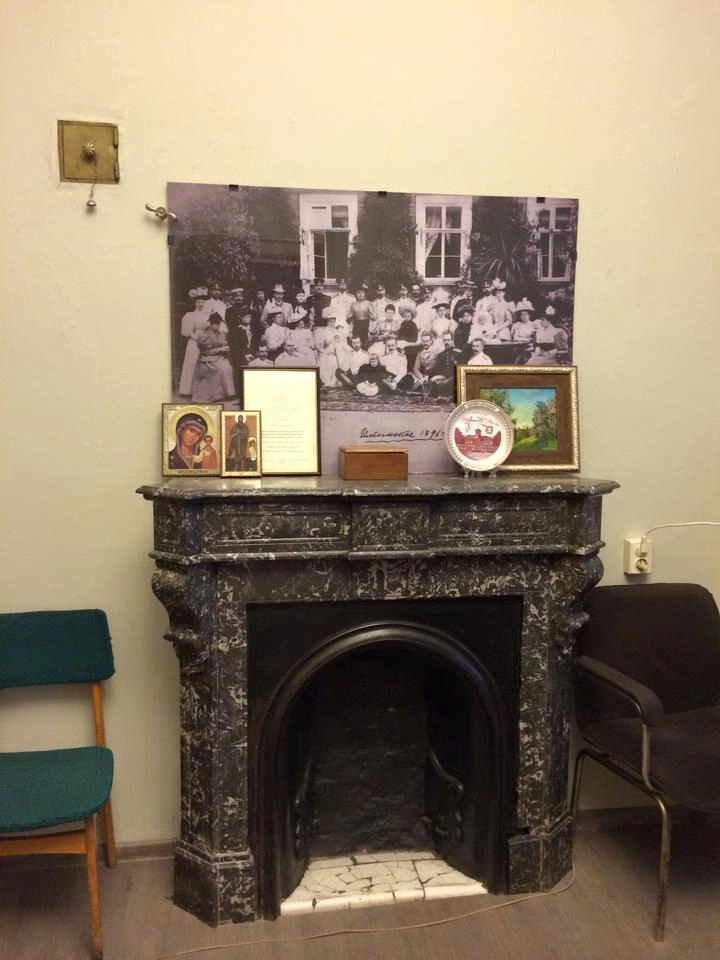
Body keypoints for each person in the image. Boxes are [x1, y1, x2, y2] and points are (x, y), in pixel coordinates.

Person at [191, 312, 235, 402]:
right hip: (207, 358)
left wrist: (225, 349)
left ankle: (225, 394)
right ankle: (214, 395)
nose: (217, 325)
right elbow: (205, 351)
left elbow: (223, 345)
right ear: (210, 324)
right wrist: (220, 349)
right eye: (215, 323)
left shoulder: (221, 334)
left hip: (220, 357)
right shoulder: (205, 335)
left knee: (227, 367)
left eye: (218, 323)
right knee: (220, 368)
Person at [429, 331, 461, 398]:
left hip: (455, 378)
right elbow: (437, 370)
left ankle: (446, 396)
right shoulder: (440, 355)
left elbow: (460, 371)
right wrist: (432, 377)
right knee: (434, 383)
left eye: (448, 340)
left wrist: (448, 380)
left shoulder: (458, 354)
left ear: (452, 340)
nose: (446, 342)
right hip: (444, 378)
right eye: (445, 340)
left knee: (445, 385)